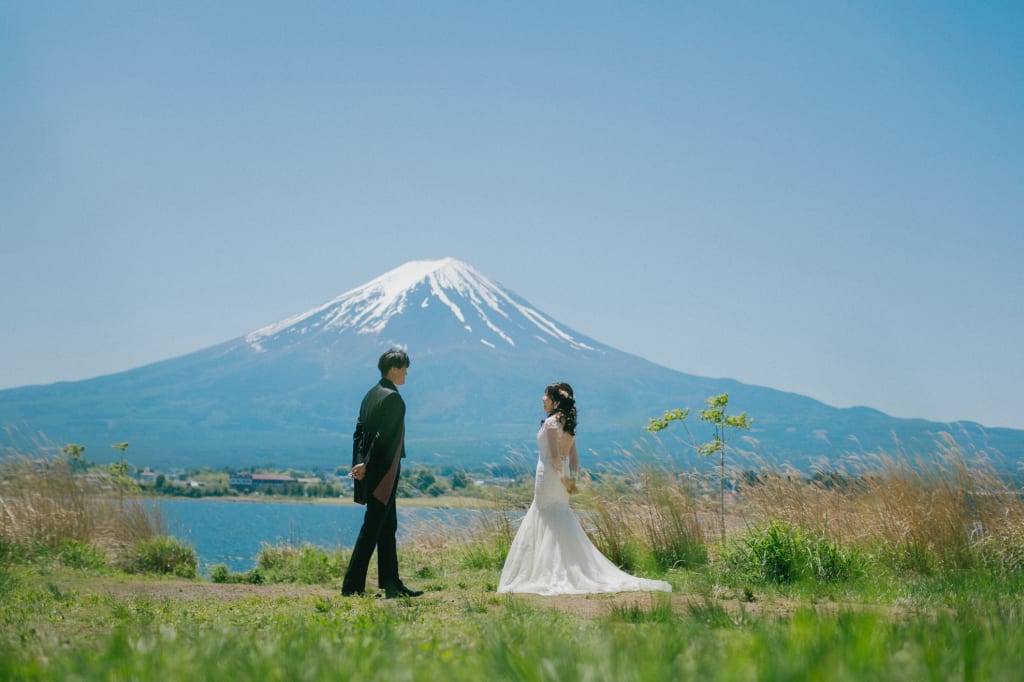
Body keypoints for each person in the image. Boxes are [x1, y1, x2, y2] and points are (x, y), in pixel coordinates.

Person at [498, 382, 672, 595]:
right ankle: (564, 569)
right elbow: (574, 458)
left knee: (544, 515)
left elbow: (554, 457)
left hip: (549, 476)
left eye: (545, 395)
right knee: (560, 518)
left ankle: (547, 572)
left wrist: (562, 478)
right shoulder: (568, 423)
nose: (542, 399)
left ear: (555, 400)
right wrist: (572, 480)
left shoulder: (552, 422)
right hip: (562, 479)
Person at [341, 349, 423, 599]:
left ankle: (391, 584)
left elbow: (359, 433)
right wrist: (366, 464)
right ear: (395, 369)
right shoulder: (393, 399)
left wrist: (359, 462)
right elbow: (383, 440)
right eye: (405, 369)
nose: (407, 373)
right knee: (372, 528)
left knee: (387, 528)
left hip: (371, 470)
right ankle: (352, 587)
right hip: (384, 472)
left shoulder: (371, 394)